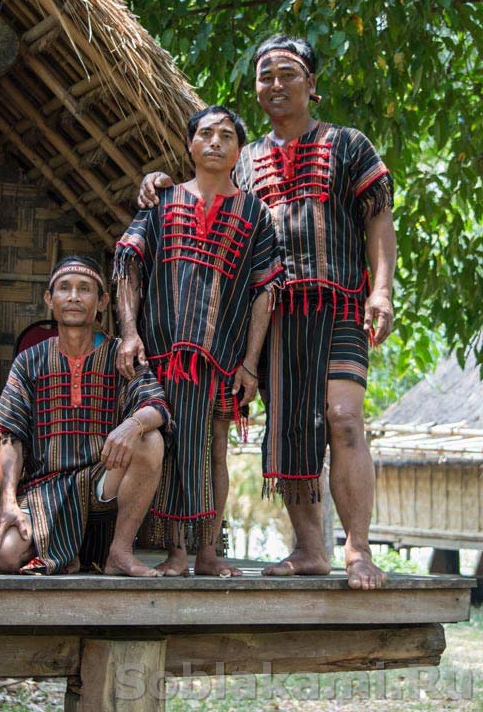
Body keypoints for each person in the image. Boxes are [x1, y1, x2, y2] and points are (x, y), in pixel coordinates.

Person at [138, 35, 396, 590]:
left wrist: (382, 291)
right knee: (288, 432)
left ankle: (357, 549)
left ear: (312, 84)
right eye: (265, 75)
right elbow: (207, 197)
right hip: (275, 319)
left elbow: (379, 219)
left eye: (287, 72)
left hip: (340, 307)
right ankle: (309, 550)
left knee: (345, 419)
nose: (275, 83)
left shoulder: (350, 145)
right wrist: (160, 184)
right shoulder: (246, 158)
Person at [114, 105, 283, 577]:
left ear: (238, 150)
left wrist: (250, 363)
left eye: (225, 135)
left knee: (215, 451)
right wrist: (129, 333)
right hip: (162, 357)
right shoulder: (162, 201)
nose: (214, 142)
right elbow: (128, 260)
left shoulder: (256, 214)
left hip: (222, 359)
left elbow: (265, 290)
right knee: (170, 449)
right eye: (204, 134)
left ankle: (208, 552)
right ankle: (176, 553)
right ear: (190, 146)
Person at [0, 256, 172, 577]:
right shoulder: (30, 361)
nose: (73, 297)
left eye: (85, 289)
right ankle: (69, 547)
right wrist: (8, 503)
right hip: (46, 493)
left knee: (150, 438)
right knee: (2, 554)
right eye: (64, 289)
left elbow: (158, 406)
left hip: (104, 484)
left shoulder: (119, 355)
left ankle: (119, 552)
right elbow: (9, 435)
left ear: (102, 302)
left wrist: (133, 424)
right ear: (49, 299)